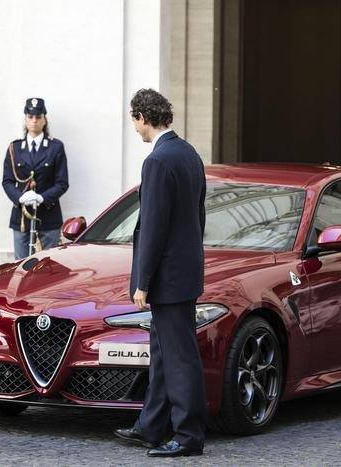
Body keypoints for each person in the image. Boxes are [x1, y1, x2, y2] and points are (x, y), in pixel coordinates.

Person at [114, 89, 207, 458]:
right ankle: (151, 426)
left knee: (179, 356)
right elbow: (196, 217)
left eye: (133, 121)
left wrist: (142, 281)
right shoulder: (189, 153)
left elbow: (152, 227)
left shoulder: (156, 161)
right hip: (185, 269)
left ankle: (188, 436)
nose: (134, 129)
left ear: (142, 117)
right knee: (164, 351)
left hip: (167, 276)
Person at [2, 97, 69, 259]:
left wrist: (42, 197)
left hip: (48, 214)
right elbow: (7, 181)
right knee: (20, 265)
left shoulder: (55, 147)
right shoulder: (15, 147)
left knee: (48, 265)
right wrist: (20, 198)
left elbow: (62, 183)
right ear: (25, 119)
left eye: (38, 117)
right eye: (30, 117)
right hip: (22, 216)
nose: (34, 121)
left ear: (44, 119)